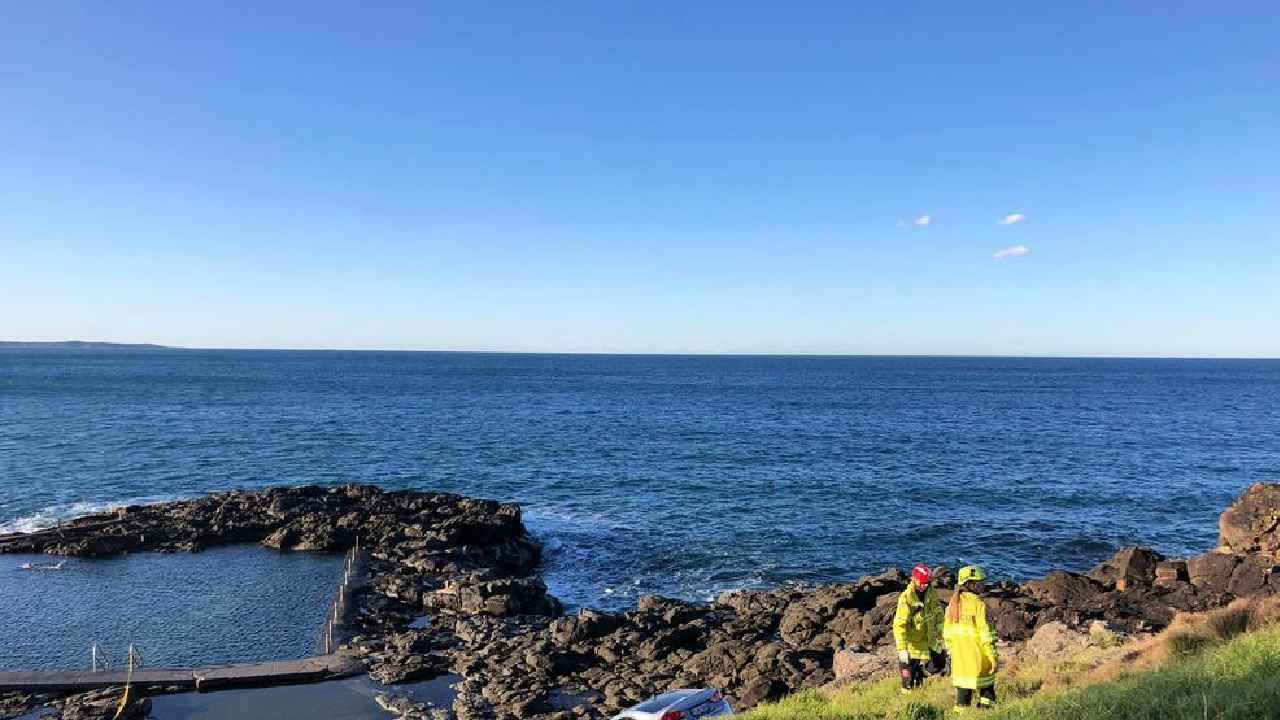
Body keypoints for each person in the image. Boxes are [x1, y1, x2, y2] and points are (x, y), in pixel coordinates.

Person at [943, 565, 998, 711]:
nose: (983, 585)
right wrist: (992, 656)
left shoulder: (952, 605)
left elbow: (947, 634)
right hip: (979, 658)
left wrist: (950, 654)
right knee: (988, 693)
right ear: (970, 584)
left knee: (962, 698)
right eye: (980, 582)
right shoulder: (979, 605)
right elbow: (986, 634)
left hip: (960, 661)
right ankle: (984, 715)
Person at [893, 563, 944, 692]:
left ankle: (921, 675)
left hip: (928, 641)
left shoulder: (931, 593)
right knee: (908, 682)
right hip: (911, 646)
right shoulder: (906, 598)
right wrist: (902, 649)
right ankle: (908, 705)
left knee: (939, 664)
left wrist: (943, 635)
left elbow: (938, 615)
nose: (924, 586)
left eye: (926, 583)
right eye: (921, 583)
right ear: (913, 579)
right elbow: (899, 626)